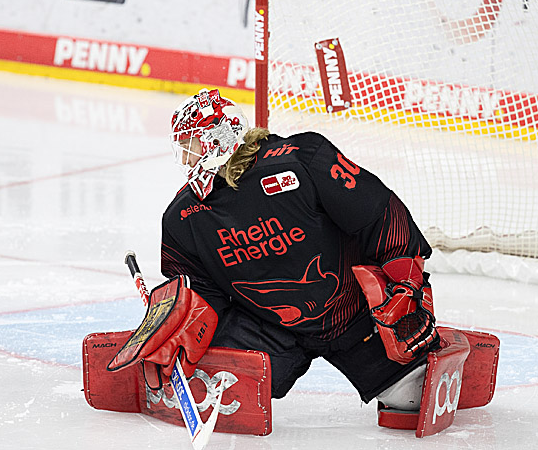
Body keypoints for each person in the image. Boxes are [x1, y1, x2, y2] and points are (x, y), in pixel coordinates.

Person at [138, 87, 439, 412]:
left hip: (356, 315)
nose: (185, 160)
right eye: (181, 149)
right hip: (267, 329)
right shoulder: (182, 218)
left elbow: (378, 214)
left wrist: (407, 286)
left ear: (216, 138)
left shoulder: (302, 159)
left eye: (191, 147)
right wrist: (178, 321)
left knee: (412, 398)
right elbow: (200, 292)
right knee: (216, 397)